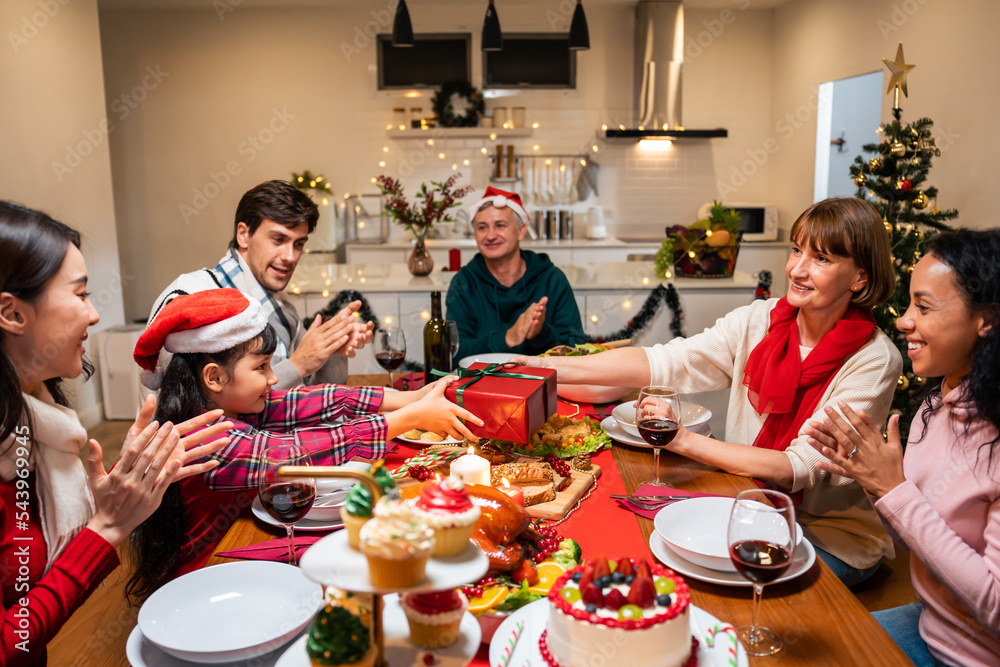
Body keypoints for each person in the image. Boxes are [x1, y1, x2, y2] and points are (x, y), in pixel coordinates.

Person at [516, 198, 902, 586]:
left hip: (827, 536)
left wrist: (680, 439)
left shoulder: (874, 360)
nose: (797, 270)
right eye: (797, 250)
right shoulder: (758, 321)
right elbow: (666, 361)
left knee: (717, 592)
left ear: (860, 278)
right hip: (742, 504)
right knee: (651, 560)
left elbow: (797, 467)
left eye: (821, 259)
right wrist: (543, 367)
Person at [126, 288, 482, 600]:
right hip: (204, 579)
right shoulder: (203, 436)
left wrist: (412, 399)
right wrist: (411, 418)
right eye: (262, 367)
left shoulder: (228, 405)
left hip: (235, 547)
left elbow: (327, 399)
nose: (272, 378)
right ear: (215, 377)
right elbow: (289, 454)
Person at [0, 201, 231, 666]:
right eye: (81, 294)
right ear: (12, 313)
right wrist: (105, 530)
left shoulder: (36, 423)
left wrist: (120, 495)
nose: (94, 315)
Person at [805, 229, 1000, 667]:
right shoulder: (939, 403)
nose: (903, 320)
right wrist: (874, 481)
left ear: (985, 319)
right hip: (933, 623)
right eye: (910, 302)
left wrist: (895, 490)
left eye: (924, 307)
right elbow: (915, 538)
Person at [148, 179, 372, 390]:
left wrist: (334, 347)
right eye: (278, 240)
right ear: (243, 235)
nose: (291, 256)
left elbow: (320, 394)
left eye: (299, 244)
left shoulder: (284, 312)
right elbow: (191, 402)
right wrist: (298, 365)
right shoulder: (190, 295)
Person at [446, 187, 586, 357]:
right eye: (482, 227)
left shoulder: (552, 279)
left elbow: (577, 348)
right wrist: (507, 338)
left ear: (521, 231)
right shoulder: (463, 284)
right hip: (483, 382)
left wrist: (540, 334)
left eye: (500, 225)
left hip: (544, 381)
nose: (490, 236)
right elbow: (453, 354)